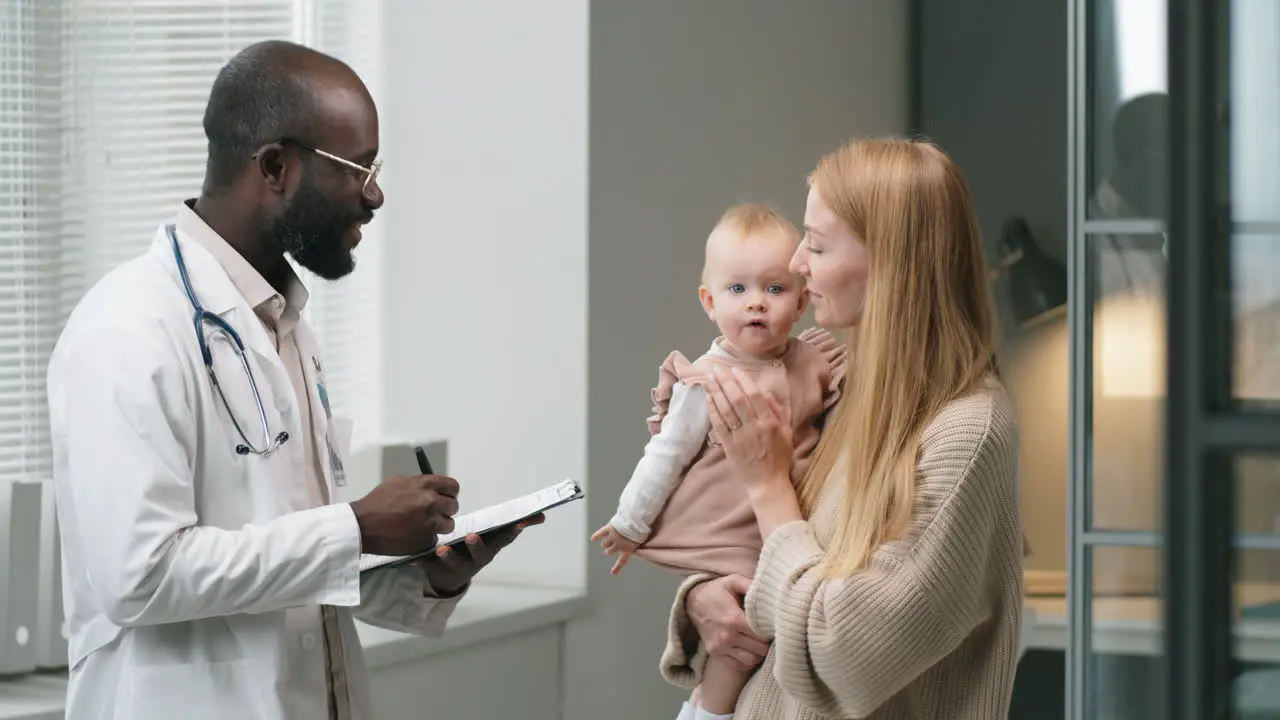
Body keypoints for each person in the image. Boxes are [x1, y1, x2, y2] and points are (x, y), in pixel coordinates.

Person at [45, 40, 540, 720]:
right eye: (357, 169)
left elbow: (295, 568)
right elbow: (140, 577)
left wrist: (425, 575)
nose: (375, 194)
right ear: (275, 167)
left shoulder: (281, 325)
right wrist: (358, 526)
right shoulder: (126, 329)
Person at [658, 138, 1023, 719]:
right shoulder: (849, 393)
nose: (797, 263)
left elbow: (843, 654)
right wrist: (705, 596)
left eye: (819, 245)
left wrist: (767, 484)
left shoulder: (967, 434)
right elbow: (789, 554)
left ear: (892, 261)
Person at [589, 204, 844, 719]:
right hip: (731, 526)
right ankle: (707, 710)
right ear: (709, 301)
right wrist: (629, 523)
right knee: (739, 641)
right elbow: (665, 455)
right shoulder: (706, 382)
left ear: (800, 302)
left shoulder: (814, 363)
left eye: (774, 289)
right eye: (738, 290)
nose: (756, 304)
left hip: (793, 524)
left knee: (790, 627)